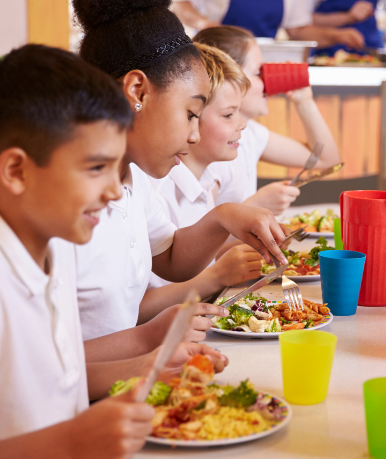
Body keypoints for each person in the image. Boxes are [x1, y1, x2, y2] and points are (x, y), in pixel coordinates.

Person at [0, 44, 227, 458]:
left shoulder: (51, 253)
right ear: (16, 171)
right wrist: (71, 441)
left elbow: (52, 383)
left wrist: (148, 368)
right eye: (96, 168)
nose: (115, 191)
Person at [71, 0, 288, 362]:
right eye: (190, 114)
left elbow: (171, 258)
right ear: (137, 91)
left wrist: (224, 217)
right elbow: (45, 366)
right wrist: (148, 339)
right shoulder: (65, 205)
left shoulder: (134, 180)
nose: (194, 135)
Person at [146, 43, 265, 309]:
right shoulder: (156, 191)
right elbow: (140, 305)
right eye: (228, 115)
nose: (242, 123)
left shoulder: (207, 181)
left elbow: (196, 264)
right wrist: (217, 275)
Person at [194, 26, 342, 216]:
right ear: (230, 77)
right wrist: (255, 206)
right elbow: (196, 232)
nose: (268, 82)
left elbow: (325, 159)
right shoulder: (212, 150)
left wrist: (305, 102)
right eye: (259, 72)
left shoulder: (249, 133)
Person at [171, 0, 364, 50]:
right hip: (214, 60)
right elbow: (179, 4)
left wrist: (336, 36)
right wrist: (203, 23)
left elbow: (298, 29)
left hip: (261, 66)